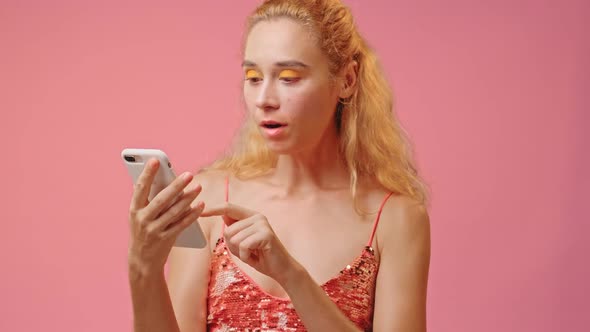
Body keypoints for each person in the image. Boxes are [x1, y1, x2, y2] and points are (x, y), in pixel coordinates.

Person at [127, 0, 431, 331]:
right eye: (253, 77)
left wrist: (291, 275)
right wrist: (144, 268)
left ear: (346, 79)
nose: (264, 99)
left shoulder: (396, 218)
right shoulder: (210, 199)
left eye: (288, 77)